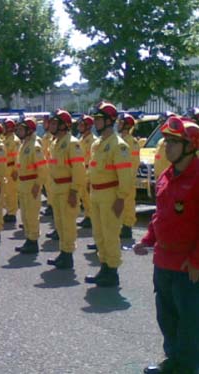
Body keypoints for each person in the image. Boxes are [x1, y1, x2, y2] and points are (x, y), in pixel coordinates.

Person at [133, 117, 199, 374]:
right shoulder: (165, 176)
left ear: (190, 145)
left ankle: (189, 365)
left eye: (173, 142)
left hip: (187, 265)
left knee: (190, 321)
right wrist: (147, 240)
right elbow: (159, 215)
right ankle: (173, 360)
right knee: (167, 316)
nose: (166, 146)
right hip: (163, 261)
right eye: (166, 141)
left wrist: (196, 260)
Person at [85, 101, 133, 287]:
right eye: (95, 119)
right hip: (97, 194)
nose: (95, 123)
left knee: (110, 234)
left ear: (109, 121)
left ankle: (112, 272)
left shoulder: (118, 145)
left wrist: (121, 198)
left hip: (111, 195)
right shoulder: (97, 144)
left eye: (99, 119)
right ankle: (104, 267)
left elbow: (125, 176)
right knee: (99, 234)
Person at [45, 109, 85, 269]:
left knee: (68, 224)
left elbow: (78, 170)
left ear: (64, 125)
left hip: (67, 189)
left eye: (55, 123)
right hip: (56, 188)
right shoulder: (55, 143)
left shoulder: (72, 143)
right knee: (60, 223)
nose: (51, 126)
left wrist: (75, 191)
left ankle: (68, 256)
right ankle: (63, 252)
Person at [14, 117, 47, 254]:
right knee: (25, 215)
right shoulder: (24, 145)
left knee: (32, 215)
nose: (18, 131)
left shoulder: (35, 146)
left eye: (21, 129)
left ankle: (33, 241)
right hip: (23, 184)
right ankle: (28, 239)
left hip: (31, 184)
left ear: (29, 130)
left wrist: (37, 185)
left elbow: (42, 168)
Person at [117, 113, 140, 239]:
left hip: (128, 179)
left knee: (128, 203)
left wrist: (127, 180)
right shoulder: (120, 140)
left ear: (127, 125)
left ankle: (127, 227)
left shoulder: (132, 142)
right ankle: (122, 226)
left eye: (121, 123)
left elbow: (133, 163)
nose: (118, 125)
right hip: (120, 178)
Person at [77, 114, 97, 229]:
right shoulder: (81, 140)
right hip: (81, 170)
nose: (79, 127)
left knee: (88, 196)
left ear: (88, 126)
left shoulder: (93, 141)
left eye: (81, 124)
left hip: (88, 170)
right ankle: (87, 216)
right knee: (84, 196)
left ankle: (91, 217)